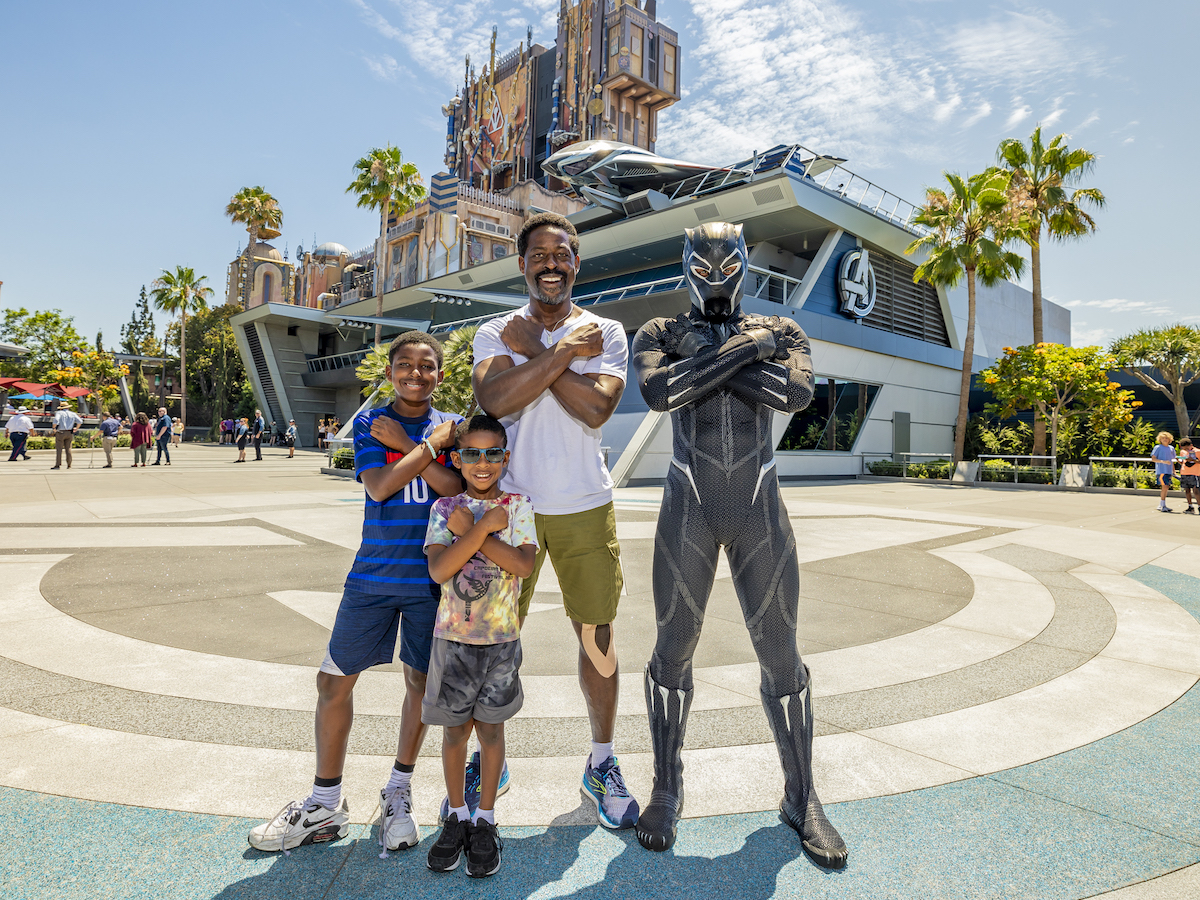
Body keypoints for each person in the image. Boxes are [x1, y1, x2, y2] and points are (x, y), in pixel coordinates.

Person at [631, 221, 847, 867]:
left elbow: (797, 395)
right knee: (673, 648)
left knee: (781, 653)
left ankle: (801, 794)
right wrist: (751, 354)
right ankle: (666, 786)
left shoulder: (784, 330)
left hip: (759, 510)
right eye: (705, 265)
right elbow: (660, 393)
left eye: (729, 264)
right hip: (689, 507)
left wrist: (709, 361)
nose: (717, 276)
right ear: (687, 266)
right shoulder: (659, 332)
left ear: (745, 265)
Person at [248, 331, 463, 855]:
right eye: (405, 365)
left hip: (430, 580)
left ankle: (398, 791)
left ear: (440, 375)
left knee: (420, 683)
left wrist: (416, 445)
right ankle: (325, 803)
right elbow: (380, 485)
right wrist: (428, 451)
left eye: (427, 366)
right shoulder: (371, 422)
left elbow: (456, 490)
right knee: (332, 681)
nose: (416, 374)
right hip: (373, 575)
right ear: (390, 372)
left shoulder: (451, 428)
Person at [471, 212, 638, 830]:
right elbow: (496, 399)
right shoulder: (495, 331)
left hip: (583, 505)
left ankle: (601, 760)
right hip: (510, 509)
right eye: (539, 254)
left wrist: (541, 351)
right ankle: (490, 761)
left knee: (598, 639)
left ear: (576, 262)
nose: (550, 264)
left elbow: (595, 410)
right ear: (522, 265)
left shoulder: (606, 331)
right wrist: (565, 354)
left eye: (561, 254)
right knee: (491, 638)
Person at [422, 416, 536, 877]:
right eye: (472, 453)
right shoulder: (445, 508)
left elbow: (522, 566)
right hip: (453, 644)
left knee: (490, 732)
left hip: (501, 643)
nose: (482, 462)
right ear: (457, 458)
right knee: (454, 734)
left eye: (492, 453)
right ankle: (457, 814)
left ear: (505, 458)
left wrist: (476, 530)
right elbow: (440, 569)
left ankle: (485, 817)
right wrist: (482, 528)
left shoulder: (518, 506)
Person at [51, 403, 82, 470]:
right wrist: (76, 428)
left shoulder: (59, 413)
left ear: (61, 408)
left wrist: (54, 428)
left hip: (60, 432)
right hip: (69, 432)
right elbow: (80, 421)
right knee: (68, 449)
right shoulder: (73, 413)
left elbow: (56, 420)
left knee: (59, 449)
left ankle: (58, 465)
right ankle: (69, 465)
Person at [1153, 431, 1176, 513]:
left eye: (1166, 438)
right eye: (1163, 438)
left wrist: (1174, 471)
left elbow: (1172, 460)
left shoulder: (1171, 448)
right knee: (1164, 486)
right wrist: (1163, 461)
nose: (1165, 439)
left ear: (1169, 439)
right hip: (1161, 470)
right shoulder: (1157, 447)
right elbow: (1153, 458)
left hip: (1168, 471)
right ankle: (1162, 505)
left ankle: (1162, 504)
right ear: (1160, 439)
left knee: (1166, 487)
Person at [1179, 438, 1199, 514]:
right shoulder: (1182, 452)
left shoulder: (1197, 451)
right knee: (1187, 490)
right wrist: (1178, 459)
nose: (1186, 450)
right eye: (1184, 449)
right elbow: (1183, 462)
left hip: (1195, 473)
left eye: (1187, 448)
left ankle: (1199, 506)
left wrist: (1193, 460)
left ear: (1191, 445)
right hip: (1185, 472)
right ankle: (1190, 507)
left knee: (1196, 491)